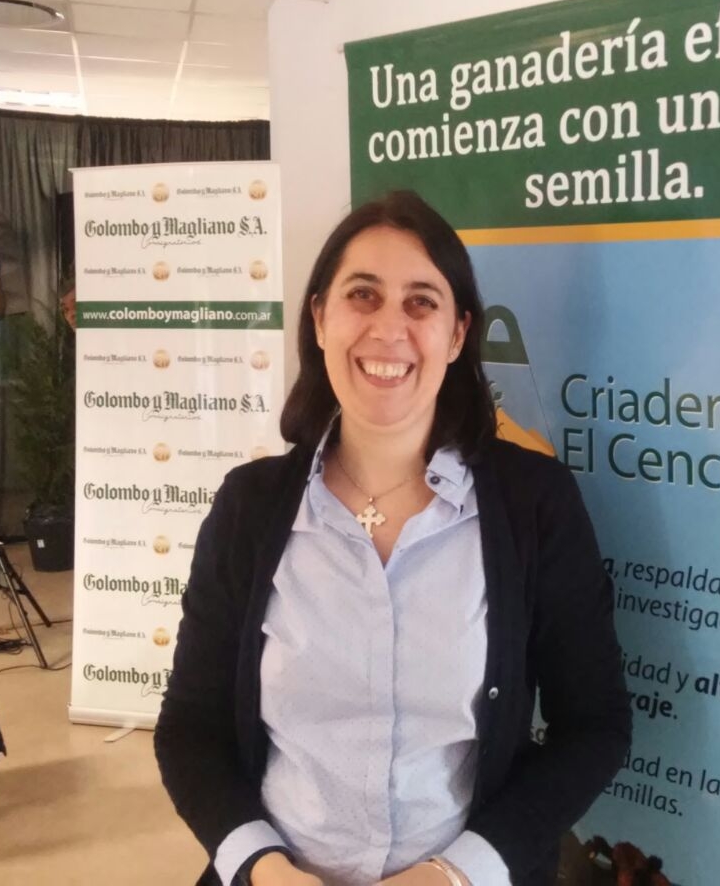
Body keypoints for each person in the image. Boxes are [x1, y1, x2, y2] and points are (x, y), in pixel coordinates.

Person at [155, 191, 631, 886]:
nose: (389, 328)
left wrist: (455, 874)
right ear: (320, 318)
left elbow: (594, 728)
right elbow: (190, 729)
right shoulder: (247, 509)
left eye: (420, 302)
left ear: (458, 335)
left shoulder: (536, 505)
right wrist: (260, 868)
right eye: (363, 295)